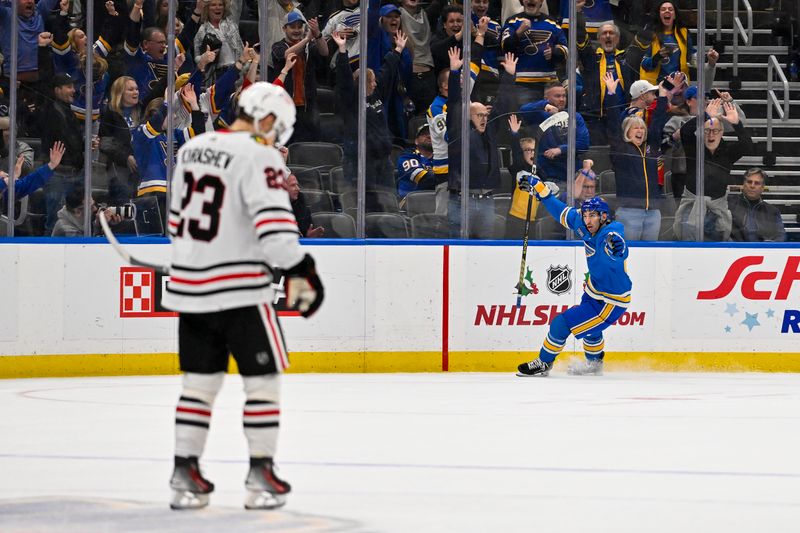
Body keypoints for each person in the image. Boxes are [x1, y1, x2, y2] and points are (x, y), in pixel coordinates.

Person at [164, 81, 324, 511]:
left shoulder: (191, 150)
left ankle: (185, 473)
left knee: (197, 385)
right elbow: (274, 228)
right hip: (240, 290)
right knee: (263, 382)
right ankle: (260, 474)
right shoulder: (259, 153)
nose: (275, 139)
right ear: (267, 119)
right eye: (277, 130)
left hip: (190, 289)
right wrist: (301, 269)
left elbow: (177, 221)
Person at [516, 175, 631, 377]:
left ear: (604, 217)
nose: (587, 220)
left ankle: (543, 363)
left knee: (561, 323)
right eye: (585, 215)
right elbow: (560, 211)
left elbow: (619, 246)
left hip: (611, 301)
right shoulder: (583, 224)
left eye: (592, 216)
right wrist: (540, 189)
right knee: (591, 329)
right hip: (594, 291)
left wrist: (617, 247)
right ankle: (594, 364)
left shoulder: (610, 233)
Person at [605, 71, 676, 240]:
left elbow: (658, 121)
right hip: (629, 212)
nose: (640, 130)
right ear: (627, 132)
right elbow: (613, 124)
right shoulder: (620, 148)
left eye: (642, 127)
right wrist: (611, 94)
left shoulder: (650, 147)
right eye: (635, 127)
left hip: (653, 212)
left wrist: (663, 97)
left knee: (650, 257)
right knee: (629, 257)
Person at [675, 98, 753, 241]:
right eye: (707, 131)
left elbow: (747, 145)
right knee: (687, 246)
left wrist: (736, 124)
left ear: (722, 132)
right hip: (693, 204)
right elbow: (685, 132)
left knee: (717, 247)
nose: (711, 134)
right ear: (702, 132)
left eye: (715, 131)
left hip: (717, 208)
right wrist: (705, 115)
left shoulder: (728, 153)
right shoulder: (695, 149)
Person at [728, 168, 786, 242]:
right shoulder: (729, 205)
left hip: (763, 251)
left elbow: (780, 236)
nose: (752, 186)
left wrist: (769, 246)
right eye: (749, 182)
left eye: (757, 183)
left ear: (762, 187)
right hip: (733, 250)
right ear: (743, 184)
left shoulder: (773, 211)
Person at [51, 185, 125, 236]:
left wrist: (100, 224)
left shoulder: (78, 219)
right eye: (91, 207)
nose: (95, 209)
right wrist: (100, 226)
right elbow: (88, 251)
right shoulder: (66, 230)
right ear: (77, 212)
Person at [286, 172, 325, 238]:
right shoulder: (271, 211)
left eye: (297, 185)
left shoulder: (303, 209)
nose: (298, 188)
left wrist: (308, 237)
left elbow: (303, 237)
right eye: (293, 185)